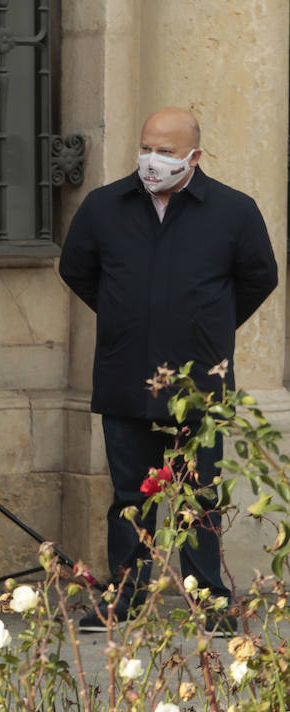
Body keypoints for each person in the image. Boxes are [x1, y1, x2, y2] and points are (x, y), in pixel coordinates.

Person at [59, 107, 277, 634]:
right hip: (124, 376)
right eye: (147, 146)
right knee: (131, 497)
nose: (152, 160)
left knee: (198, 495)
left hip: (197, 386)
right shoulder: (104, 206)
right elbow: (77, 269)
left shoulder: (233, 210)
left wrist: (208, 330)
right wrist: (125, 318)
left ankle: (209, 599)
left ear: (195, 157)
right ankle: (127, 598)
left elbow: (259, 277)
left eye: (167, 151)